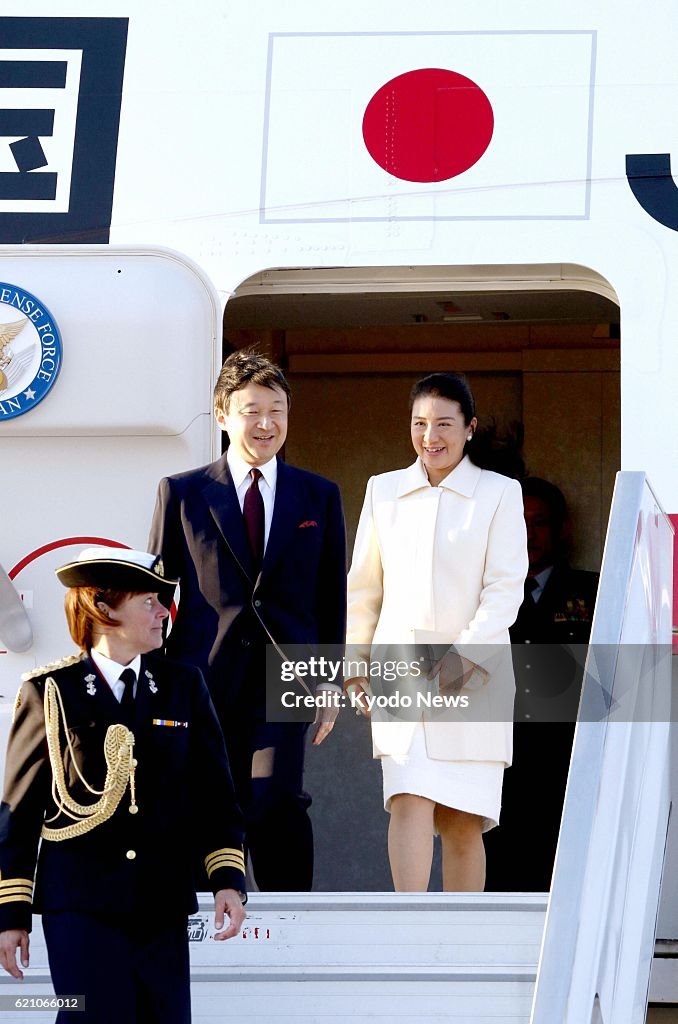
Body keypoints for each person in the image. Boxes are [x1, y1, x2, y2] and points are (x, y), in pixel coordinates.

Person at [0, 547, 247, 1023]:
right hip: (81, 906)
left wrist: (227, 881)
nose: (162, 612)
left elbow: (215, 795)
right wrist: (11, 915)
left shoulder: (183, 686)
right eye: (149, 601)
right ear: (104, 608)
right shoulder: (51, 691)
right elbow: (20, 811)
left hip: (161, 901)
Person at [148, 348, 347, 892]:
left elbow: (331, 596)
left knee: (275, 798)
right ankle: (202, 927)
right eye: (251, 410)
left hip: (289, 674)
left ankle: (291, 925)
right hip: (201, 675)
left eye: (277, 410)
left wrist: (328, 678)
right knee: (205, 797)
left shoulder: (319, 496)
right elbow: (157, 595)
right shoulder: (184, 493)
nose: (266, 423)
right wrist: (151, 680)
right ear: (222, 415)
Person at [344, 372, 528, 892]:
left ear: (469, 428)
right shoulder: (383, 491)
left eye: (444, 424)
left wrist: (459, 658)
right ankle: (409, 931)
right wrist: (356, 663)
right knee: (407, 799)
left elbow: (504, 591)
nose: (431, 437)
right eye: (420, 424)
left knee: (462, 820)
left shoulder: (499, 494)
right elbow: (364, 589)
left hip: (476, 674)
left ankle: (459, 943)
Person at [484, 477, 600, 891]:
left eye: (541, 523)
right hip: (500, 769)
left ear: (562, 528)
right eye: (519, 523)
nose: (529, 534)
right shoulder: (484, 597)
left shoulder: (594, 593)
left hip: (569, 771)